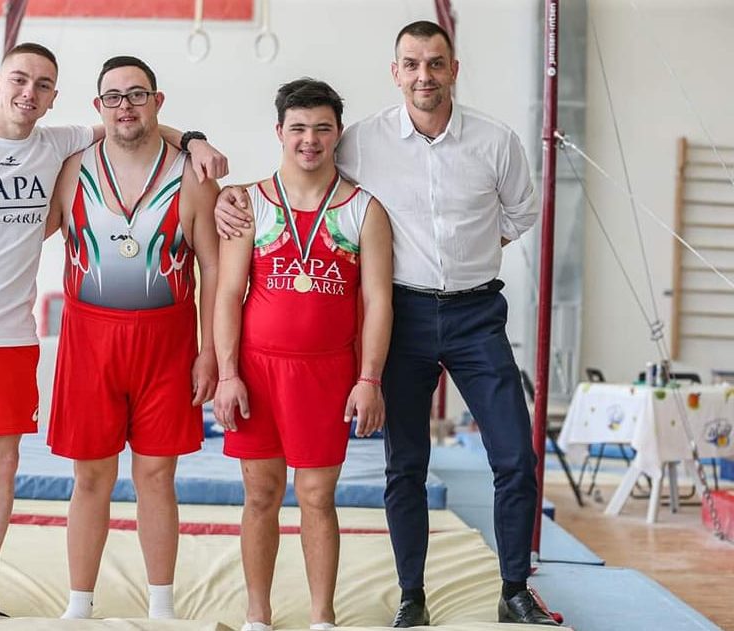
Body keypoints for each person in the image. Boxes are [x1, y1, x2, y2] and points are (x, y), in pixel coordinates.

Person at [216, 21, 558, 627]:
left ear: (454, 69)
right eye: (412, 64)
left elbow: (521, 212)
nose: (424, 75)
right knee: (406, 464)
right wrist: (228, 195)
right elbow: (301, 165)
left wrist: (471, 254)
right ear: (395, 73)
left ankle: (514, 590)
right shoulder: (361, 141)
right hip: (406, 314)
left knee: (514, 455)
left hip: (477, 312)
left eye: (436, 63)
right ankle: (411, 597)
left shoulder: (496, 141)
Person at [0, 44, 225, 618]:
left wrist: (195, 141)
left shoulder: (68, 148)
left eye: (42, 85)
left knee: (23, 467)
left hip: (32, 339)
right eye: (19, 80)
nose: (29, 93)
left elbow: (137, 127)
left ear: (55, 97)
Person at [213, 78, 393, 631]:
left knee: (317, 496)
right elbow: (228, 294)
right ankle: (257, 614)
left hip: (327, 373)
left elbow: (378, 301)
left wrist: (369, 379)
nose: (309, 140)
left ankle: (322, 617)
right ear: (279, 132)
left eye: (321, 129)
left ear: (338, 133)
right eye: (298, 128)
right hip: (258, 371)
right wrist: (227, 374)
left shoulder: (365, 210)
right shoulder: (248, 204)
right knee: (260, 493)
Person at [45, 56, 220, 621]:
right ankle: (78, 605)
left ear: (157, 102)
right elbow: (17, 234)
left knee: (157, 476)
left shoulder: (191, 176)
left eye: (138, 94)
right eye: (114, 97)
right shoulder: (71, 169)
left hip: (167, 342)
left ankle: (161, 607)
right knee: (89, 476)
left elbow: (215, 269)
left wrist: (210, 352)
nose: (126, 106)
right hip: (88, 340)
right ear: (98, 107)